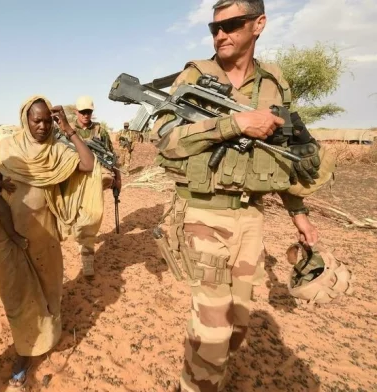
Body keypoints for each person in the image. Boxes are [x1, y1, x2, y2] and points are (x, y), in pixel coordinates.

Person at [152, 1, 333, 391]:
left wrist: (298, 213)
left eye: (232, 25)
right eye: (214, 27)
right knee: (212, 333)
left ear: (259, 25)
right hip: (203, 213)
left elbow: (282, 157)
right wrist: (234, 124)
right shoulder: (195, 77)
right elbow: (166, 141)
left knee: (238, 325)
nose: (221, 34)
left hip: (251, 217)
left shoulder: (274, 84)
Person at [0, 96, 101, 387]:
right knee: (16, 294)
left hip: (44, 235)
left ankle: (47, 338)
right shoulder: (7, 149)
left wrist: (69, 130)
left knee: (48, 290)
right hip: (10, 236)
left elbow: (87, 164)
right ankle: (23, 351)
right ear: (25, 119)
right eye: (37, 120)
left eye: (48, 120)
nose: (43, 126)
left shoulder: (57, 150)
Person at [72, 95, 122, 277]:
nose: (86, 115)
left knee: (92, 215)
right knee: (76, 216)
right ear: (76, 112)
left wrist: (118, 177)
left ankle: (87, 257)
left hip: (96, 179)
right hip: (75, 179)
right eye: (83, 112)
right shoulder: (68, 131)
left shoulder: (100, 131)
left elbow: (111, 155)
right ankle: (81, 236)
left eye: (89, 112)